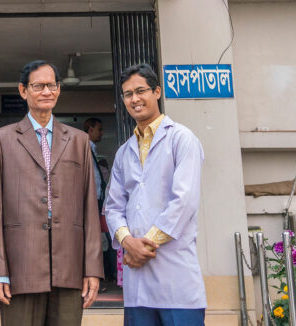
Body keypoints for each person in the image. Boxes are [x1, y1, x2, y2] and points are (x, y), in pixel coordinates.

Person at [0, 60, 103, 326]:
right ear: (23, 90)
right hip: (20, 264)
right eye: (38, 86)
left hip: (70, 262)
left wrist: (92, 268)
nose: (46, 91)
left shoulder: (78, 140)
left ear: (59, 89)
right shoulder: (2, 138)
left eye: (52, 85)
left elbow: (89, 208)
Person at [105, 63, 206, 326]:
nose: (135, 99)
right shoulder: (124, 152)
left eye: (141, 91)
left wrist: (143, 246)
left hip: (176, 283)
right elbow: (113, 207)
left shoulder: (182, 139)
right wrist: (128, 243)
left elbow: (183, 202)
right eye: (128, 94)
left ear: (157, 92)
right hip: (137, 289)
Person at [84, 117, 116, 286]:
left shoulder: (92, 149)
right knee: (96, 238)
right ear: (90, 130)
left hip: (98, 199)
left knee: (102, 237)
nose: (101, 133)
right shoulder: (83, 148)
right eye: (99, 129)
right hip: (92, 200)